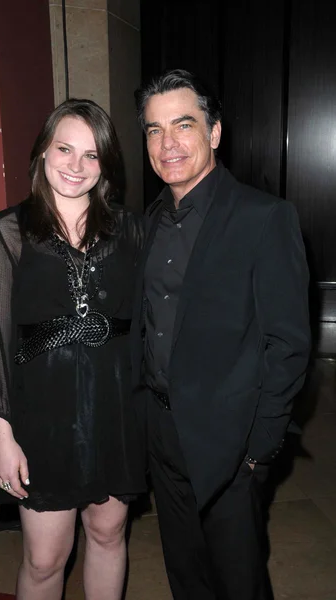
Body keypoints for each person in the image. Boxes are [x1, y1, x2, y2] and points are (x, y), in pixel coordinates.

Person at [131, 69, 311, 600]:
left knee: (239, 584)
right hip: (162, 437)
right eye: (154, 130)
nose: (168, 144)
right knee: (186, 578)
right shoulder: (151, 221)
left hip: (230, 447)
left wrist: (258, 450)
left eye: (183, 125)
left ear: (213, 132)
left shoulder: (265, 217)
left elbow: (289, 345)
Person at [0, 98, 146, 600]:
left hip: (115, 412)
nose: (76, 165)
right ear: (43, 152)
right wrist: (3, 437)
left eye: (91, 155)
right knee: (45, 559)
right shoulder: (8, 232)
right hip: (43, 417)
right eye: (64, 149)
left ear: (105, 165)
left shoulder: (131, 231)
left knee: (108, 535)